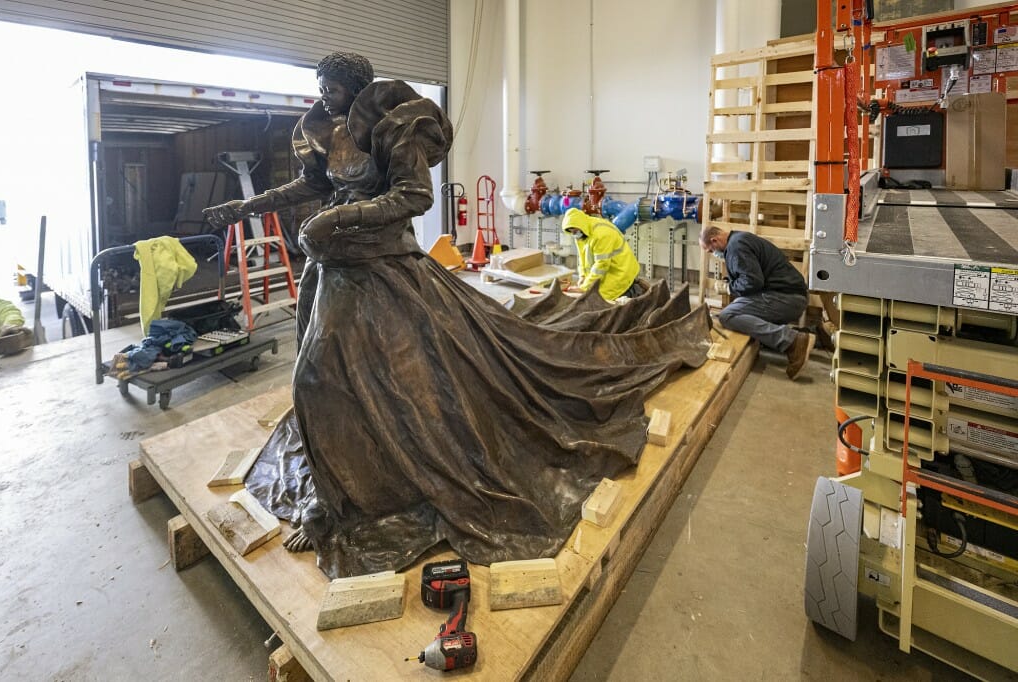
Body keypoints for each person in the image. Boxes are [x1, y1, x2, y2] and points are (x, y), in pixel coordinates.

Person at [204, 52, 714, 579]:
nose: (323, 93)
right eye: (320, 85)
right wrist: (247, 207)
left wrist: (344, 215)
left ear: (357, 88)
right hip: (331, 263)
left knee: (324, 376)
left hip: (381, 265)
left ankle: (346, 499)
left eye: (331, 87)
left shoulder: (393, 123)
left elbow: (415, 195)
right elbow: (312, 186)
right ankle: (339, 480)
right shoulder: (321, 126)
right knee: (330, 379)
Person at [699, 226, 814, 380]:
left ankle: (792, 341)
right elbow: (748, 274)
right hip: (788, 295)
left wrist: (729, 288)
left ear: (714, 240)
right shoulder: (739, 239)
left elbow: (753, 282)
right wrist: (729, 282)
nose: (713, 254)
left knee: (728, 315)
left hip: (787, 298)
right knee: (737, 308)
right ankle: (815, 333)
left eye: (710, 250)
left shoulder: (736, 247)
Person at [561, 208, 641, 301]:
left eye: (574, 231)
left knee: (603, 299)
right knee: (594, 297)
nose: (574, 234)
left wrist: (585, 287)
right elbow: (582, 258)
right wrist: (582, 276)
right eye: (571, 232)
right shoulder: (582, 232)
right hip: (609, 270)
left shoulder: (601, 235)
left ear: (580, 225)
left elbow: (601, 265)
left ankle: (631, 293)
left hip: (621, 271)